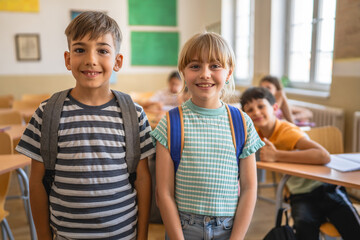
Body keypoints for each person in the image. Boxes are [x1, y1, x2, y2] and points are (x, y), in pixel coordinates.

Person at [15, 11, 154, 240]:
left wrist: (143, 236)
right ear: (68, 59)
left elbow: (142, 178)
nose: (91, 59)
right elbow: (37, 181)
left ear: (117, 61)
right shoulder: (47, 113)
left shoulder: (134, 114)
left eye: (103, 50)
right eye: (80, 50)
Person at [151, 32, 264, 240]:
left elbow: (249, 189)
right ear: (183, 72)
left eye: (215, 66)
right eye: (195, 66)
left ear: (229, 72)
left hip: (229, 228)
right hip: (183, 228)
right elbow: (164, 193)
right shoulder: (171, 122)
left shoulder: (242, 122)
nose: (205, 74)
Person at [240, 87, 360, 240]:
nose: (256, 112)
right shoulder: (256, 131)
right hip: (300, 195)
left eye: (261, 106)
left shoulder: (286, 131)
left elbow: (323, 156)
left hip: (325, 188)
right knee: (304, 231)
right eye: (249, 110)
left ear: (275, 108)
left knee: (353, 231)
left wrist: (277, 155)